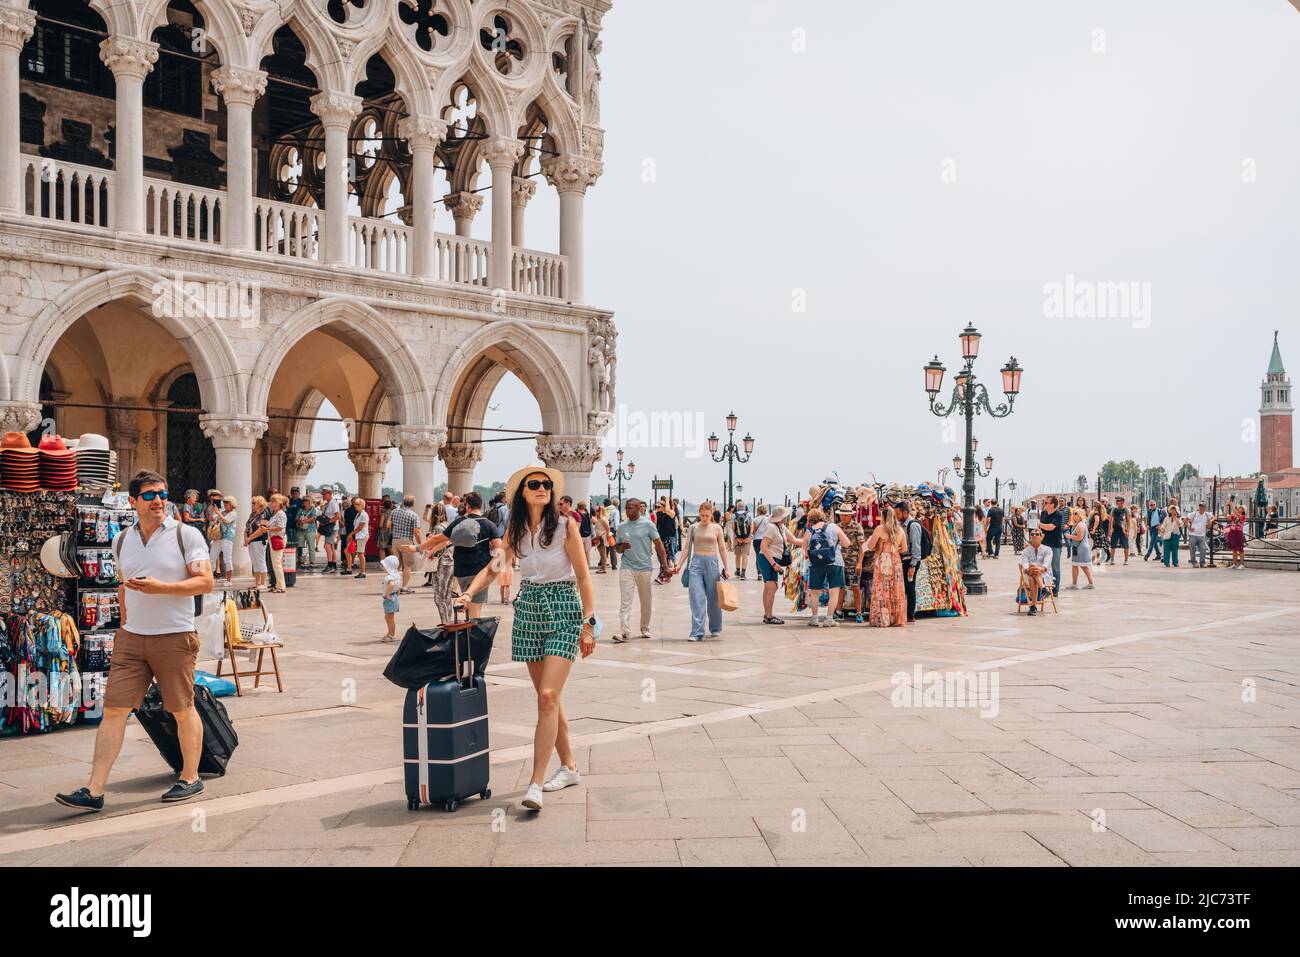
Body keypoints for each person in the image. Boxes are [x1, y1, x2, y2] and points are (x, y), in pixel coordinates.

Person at [55, 471, 214, 811]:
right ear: (132, 501)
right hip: (132, 638)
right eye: (149, 495)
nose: (158, 500)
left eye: (162, 494)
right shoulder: (121, 540)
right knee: (113, 710)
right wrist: (125, 625)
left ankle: (190, 777)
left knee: (181, 708)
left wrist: (163, 589)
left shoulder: (187, 535)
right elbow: (123, 585)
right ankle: (94, 790)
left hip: (174, 635)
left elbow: (205, 582)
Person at [455, 465, 596, 812]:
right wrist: (469, 593)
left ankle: (535, 783)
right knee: (549, 697)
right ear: (522, 493)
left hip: (563, 607)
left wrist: (589, 622)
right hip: (530, 607)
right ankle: (570, 767)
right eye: (535, 485)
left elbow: (583, 575)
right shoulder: (515, 531)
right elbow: (495, 567)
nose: (542, 489)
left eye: (546, 485)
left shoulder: (566, 526)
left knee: (548, 695)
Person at [420, 491, 501, 620]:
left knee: (467, 600)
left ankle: (466, 631)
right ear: (480, 505)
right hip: (480, 572)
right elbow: (499, 548)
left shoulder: (459, 522)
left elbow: (440, 539)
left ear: (467, 506)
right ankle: (472, 636)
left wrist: (418, 548)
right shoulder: (489, 525)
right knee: (475, 609)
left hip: (461, 571)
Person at [612, 498, 670, 641]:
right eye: (626, 507)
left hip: (644, 567)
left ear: (639, 509)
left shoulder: (648, 524)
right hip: (627, 567)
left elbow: (659, 545)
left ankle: (645, 628)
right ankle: (624, 630)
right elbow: (617, 548)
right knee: (625, 600)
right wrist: (622, 547)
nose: (627, 510)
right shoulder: (621, 526)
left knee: (646, 600)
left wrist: (665, 565)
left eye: (631, 508)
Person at [678, 501, 728, 640]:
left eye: (707, 515)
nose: (704, 518)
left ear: (711, 514)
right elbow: (687, 548)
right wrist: (679, 565)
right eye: (702, 515)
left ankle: (715, 627)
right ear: (699, 514)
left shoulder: (717, 528)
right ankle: (697, 632)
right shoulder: (693, 527)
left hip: (712, 563)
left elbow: (723, 549)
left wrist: (727, 567)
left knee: (714, 598)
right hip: (696, 564)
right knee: (696, 598)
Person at [799, 507, 851, 628]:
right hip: (835, 562)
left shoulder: (809, 531)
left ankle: (814, 618)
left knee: (815, 592)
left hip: (816, 564)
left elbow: (805, 551)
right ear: (822, 516)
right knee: (834, 592)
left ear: (810, 519)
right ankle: (829, 619)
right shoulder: (834, 527)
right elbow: (847, 543)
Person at [865, 504, 906, 627]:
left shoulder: (879, 529)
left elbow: (870, 546)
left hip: (883, 559)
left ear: (883, 516)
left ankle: (883, 619)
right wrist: (895, 547)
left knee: (882, 590)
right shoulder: (900, 530)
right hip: (896, 560)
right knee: (895, 589)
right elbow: (904, 549)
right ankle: (896, 619)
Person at [757, 505, 793, 625]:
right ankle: (769, 616)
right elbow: (763, 545)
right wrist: (773, 563)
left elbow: (793, 539)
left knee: (769, 587)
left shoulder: (781, 527)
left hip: (772, 559)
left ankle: (767, 614)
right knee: (772, 586)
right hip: (767, 559)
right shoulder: (772, 527)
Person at [423, 503, 457, 621]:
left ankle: (445, 624)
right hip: (450, 563)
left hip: (441, 563)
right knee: (447, 597)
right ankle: (449, 622)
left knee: (439, 598)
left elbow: (442, 543)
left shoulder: (438, 528)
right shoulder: (447, 525)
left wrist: (431, 552)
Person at [832, 506, 866, 623]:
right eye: (841, 514)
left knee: (855, 586)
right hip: (839, 562)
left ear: (851, 515)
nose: (843, 517)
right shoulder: (837, 527)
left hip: (853, 562)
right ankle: (838, 611)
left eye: (845, 515)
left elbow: (862, 548)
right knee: (840, 587)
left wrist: (860, 563)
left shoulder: (857, 527)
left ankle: (859, 612)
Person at [389, 495, 423, 593]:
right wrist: (420, 545)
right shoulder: (414, 515)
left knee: (395, 565)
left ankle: (393, 585)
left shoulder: (394, 511)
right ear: (413, 504)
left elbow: (388, 525)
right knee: (407, 565)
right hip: (407, 541)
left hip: (395, 540)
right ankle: (404, 587)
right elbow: (416, 532)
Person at [1020, 528, 1054, 616]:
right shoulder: (1025, 551)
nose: (1034, 536)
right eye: (1032, 534)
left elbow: (1046, 565)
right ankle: (1043, 589)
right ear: (1030, 537)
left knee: (1033, 574)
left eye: (1037, 534)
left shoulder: (1048, 549)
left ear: (1041, 537)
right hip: (1029, 574)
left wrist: (1037, 569)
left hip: (1045, 576)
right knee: (1031, 574)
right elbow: (1025, 564)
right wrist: (1030, 569)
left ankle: (1033, 607)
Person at [1037, 496, 1066, 596]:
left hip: (1055, 544)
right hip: (1044, 544)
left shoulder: (1058, 514)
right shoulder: (1044, 513)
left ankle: (1055, 590)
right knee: (1042, 566)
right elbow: (1042, 530)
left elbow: (1051, 527)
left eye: (1046, 503)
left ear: (1052, 504)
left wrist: (1039, 524)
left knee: (1055, 567)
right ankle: (1044, 588)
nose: (1045, 504)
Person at [208, 493, 238, 585]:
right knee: (212, 558)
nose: (224, 504)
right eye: (224, 502)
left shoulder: (233, 513)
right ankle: (210, 579)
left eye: (226, 502)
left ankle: (229, 581)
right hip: (218, 537)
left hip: (227, 538)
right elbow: (211, 519)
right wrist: (213, 511)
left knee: (227, 559)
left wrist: (218, 512)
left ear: (231, 503)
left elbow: (226, 521)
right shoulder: (223, 512)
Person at [1065, 506, 1095, 589]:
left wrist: (1069, 536)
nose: (1073, 515)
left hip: (1079, 548)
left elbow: (1079, 537)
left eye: (1075, 514)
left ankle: (1075, 584)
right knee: (1083, 566)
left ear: (1080, 515)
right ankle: (1090, 583)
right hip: (1080, 547)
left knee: (1076, 565)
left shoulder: (1080, 525)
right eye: (1073, 513)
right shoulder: (1081, 524)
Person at [245, 494, 269, 589]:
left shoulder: (265, 514)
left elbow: (262, 530)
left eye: (254, 503)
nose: (252, 504)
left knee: (260, 561)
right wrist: (246, 539)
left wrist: (249, 538)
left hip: (260, 540)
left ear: (260, 504)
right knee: (254, 562)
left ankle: (263, 583)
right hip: (251, 541)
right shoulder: (253, 514)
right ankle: (257, 582)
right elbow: (247, 527)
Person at [296, 493, 320, 572]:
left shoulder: (312, 509)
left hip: (310, 530)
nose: (303, 502)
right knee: (301, 547)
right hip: (300, 530)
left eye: (305, 500)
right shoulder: (300, 509)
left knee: (311, 547)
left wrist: (304, 521)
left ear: (309, 501)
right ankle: (301, 561)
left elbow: (313, 518)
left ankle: (312, 562)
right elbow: (296, 518)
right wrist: (299, 520)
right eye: (303, 500)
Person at [319, 488, 341, 573]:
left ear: (329, 494)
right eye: (323, 494)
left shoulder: (333, 503)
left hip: (332, 528)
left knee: (327, 546)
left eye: (325, 494)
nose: (323, 496)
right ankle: (333, 565)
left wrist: (328, 522)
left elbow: (338, 516)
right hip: (329, 528)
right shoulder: (327, 504)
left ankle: (330, 565)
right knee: (331, 546)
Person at [380, 554, 401, 642]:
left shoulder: (389, 577)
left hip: (390, 598)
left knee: (389, 618)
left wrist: (388, 594)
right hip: (395, 597)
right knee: (389, 617)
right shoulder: (397, 575)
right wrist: (397, 594)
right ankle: (391, 633)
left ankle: (391, 634)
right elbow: (398, 586)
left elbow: (391, 584)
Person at [731, 501, 753, 579]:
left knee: (737, 555)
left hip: (737, 538)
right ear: (745, 506)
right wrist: (749, 537)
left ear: (737, 507)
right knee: (745, 555)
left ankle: (738, 571)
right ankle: (743, 574)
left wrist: (737, 538)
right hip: (747, 538)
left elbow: (733, 528)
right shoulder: (749, 515)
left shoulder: (734, 515)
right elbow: (751, 527)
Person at [349, 497, 370, 578]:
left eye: (357, 504)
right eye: (355, 504)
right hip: (359, 536)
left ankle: (363, 572)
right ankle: (361, 571)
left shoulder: (364, 515)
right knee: (360, 553)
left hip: (362, 536)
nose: (355, 506)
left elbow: (360, 527)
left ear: (362, 505)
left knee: (361, 554)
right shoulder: (358, 514)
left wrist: (352, 533)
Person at [1187, 501, 1212, 568]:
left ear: (1205, 508)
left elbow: (1213, 517)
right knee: (1192, 549)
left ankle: (1202, 563)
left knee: (1203, 549)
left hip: (1202, 535)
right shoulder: (1194, 513)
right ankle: (1194, 562)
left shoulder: (1207, 514)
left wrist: (1210, 521)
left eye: (1203, 506)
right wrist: (1189, 527)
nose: (1201, 507)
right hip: (1193, 534)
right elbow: (1186, 519)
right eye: (1200, 506)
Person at [1109, 496, 1130, 564]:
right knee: (1113, 546)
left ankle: (1126, 560)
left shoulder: (1126, 510)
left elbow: (1128, 521)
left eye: (1119, 501)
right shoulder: (1114, 509)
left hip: (1123, 530)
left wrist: (1128, 531)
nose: (1117, 502)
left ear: (1123, 502)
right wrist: (1110, 529)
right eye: (1117, 501)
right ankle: (1112, 560)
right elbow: (1111, 520)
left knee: (1125, 546)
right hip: (1115, 529)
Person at [341, 495, 359, 575]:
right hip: (355, 532)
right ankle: (350, 564)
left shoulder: (347, 511)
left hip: (349, 532)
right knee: (353, 549)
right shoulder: (358, 511)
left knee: (349, 549)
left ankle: (349, 565)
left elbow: (346, 522)